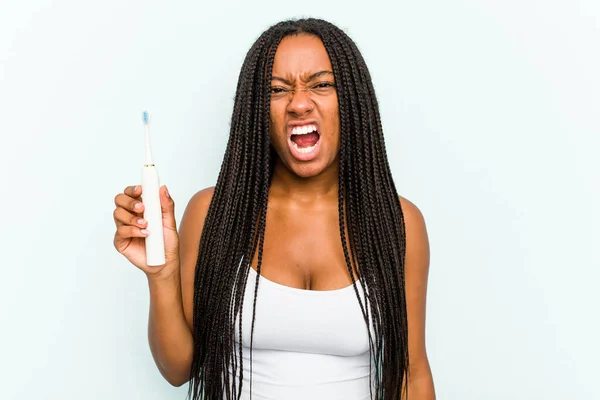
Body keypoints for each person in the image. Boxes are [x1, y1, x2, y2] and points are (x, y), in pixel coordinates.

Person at [113, 18, 435, 400]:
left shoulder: (397, 222)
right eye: (277, 90)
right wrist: (162, 274)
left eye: (321, 84)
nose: (299, 103)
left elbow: (411, 375)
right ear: (257, 111)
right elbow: (179, 368)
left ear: (352, 101)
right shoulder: (214, 212)